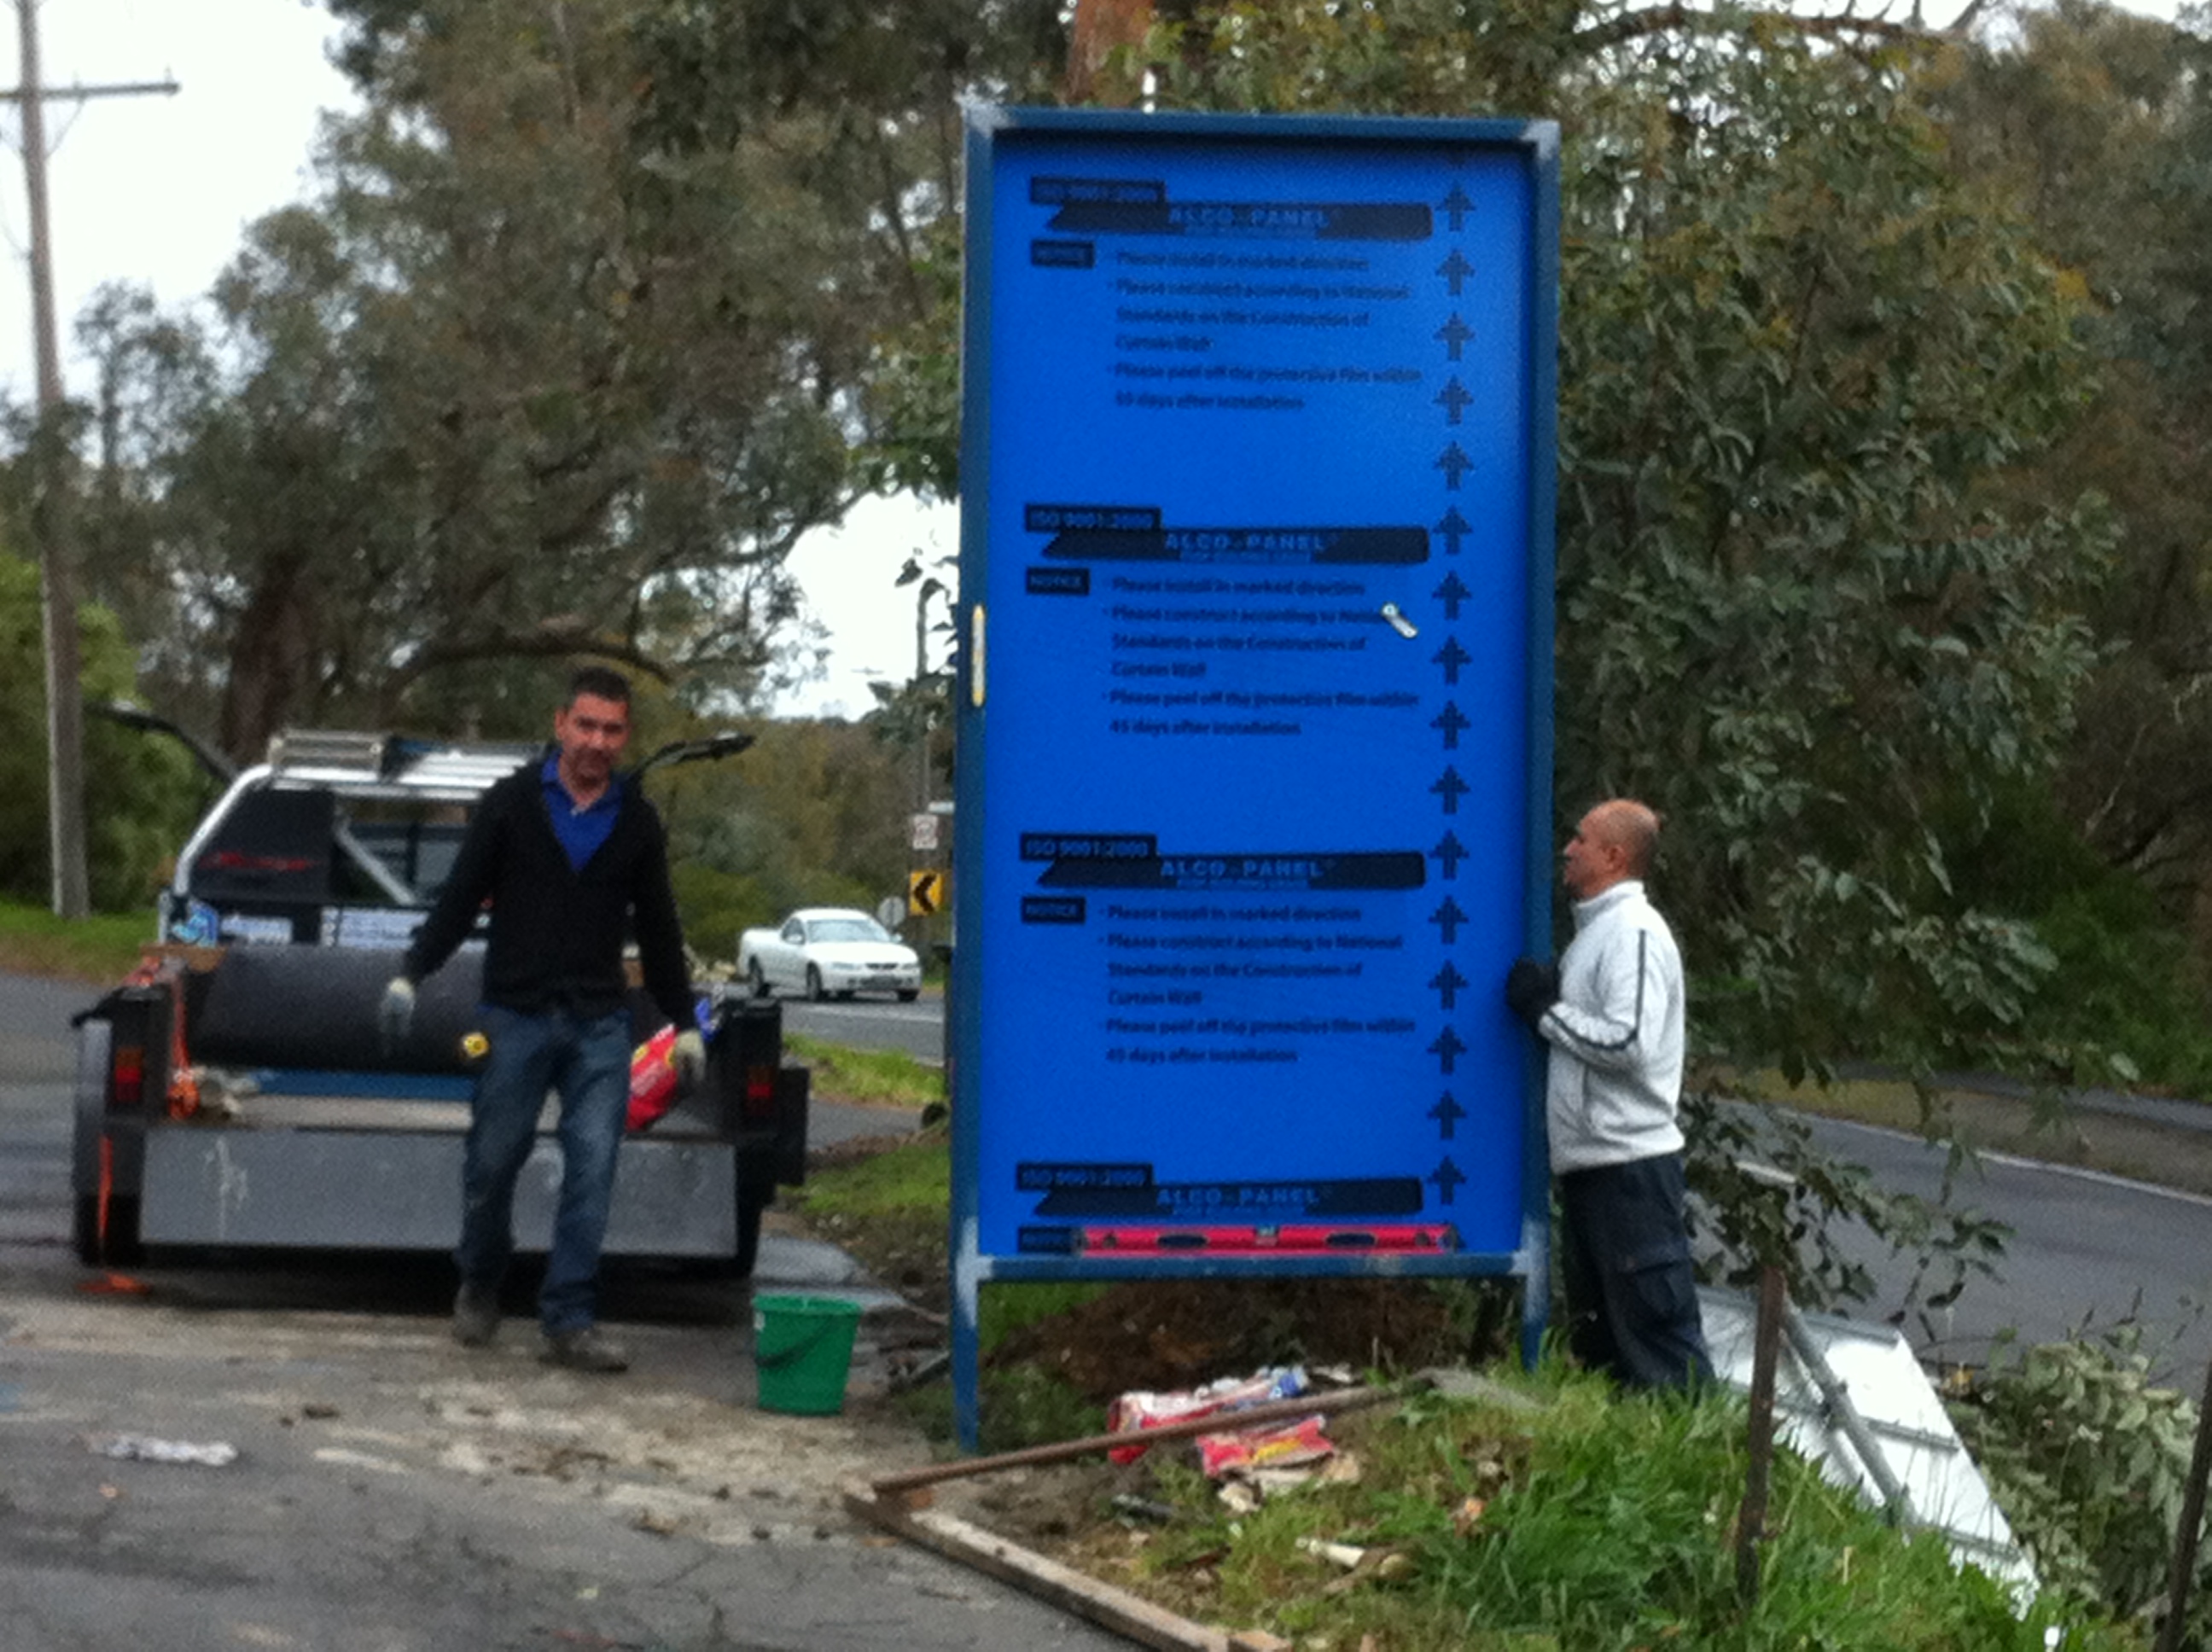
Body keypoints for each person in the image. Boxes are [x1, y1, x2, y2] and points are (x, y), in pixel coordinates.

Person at [379, 666, 704, 1373]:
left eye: (611, 730)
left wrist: (683, 1021)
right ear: (560, 725)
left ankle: (569, 1321)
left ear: (625, 737)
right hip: (516, 1017)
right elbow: (460, 898)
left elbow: (659, 928)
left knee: (593, 1165)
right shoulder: (511, 804)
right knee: (493, 1161)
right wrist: (411, 973)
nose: (597, 742)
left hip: (598, 1026)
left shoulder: (637, 821)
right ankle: (480, 1278)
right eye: (585, 725)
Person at [1505, 799, 1713, 1391]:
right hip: (1596, 1168)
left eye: (1582, 840)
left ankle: (1695, 1442)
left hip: (1630, 1171)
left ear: (1615, 857)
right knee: (1605, 1347)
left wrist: (1545, 1012)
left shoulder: (1633, 933)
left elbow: (1628, 1040)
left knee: (1656, 1344)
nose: (1568, 850)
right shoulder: (1597, 936)